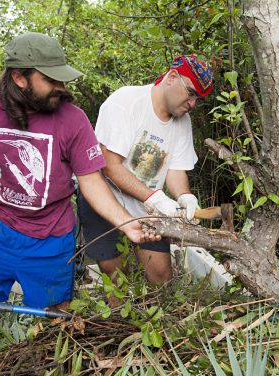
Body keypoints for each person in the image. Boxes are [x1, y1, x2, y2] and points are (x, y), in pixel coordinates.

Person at [0, 32, 160, 339]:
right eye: (52, 80)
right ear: (20, 78)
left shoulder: (73, 120)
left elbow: (91, 182)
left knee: (56, 321)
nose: (62, 88)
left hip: (51, 236)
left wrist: (127, 223)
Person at [78, 54, 213, 291]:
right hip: (104, 201)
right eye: (191, 93)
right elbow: (109, 165)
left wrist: (184, 196)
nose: (193, 103)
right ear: (172, 77)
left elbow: (176, 168)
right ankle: (120, 322)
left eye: (198, 99)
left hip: (146, 207)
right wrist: (155, 197)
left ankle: (157, 322)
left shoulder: (183, 121)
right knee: (117, 277)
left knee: (161, 276)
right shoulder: (125, 102)